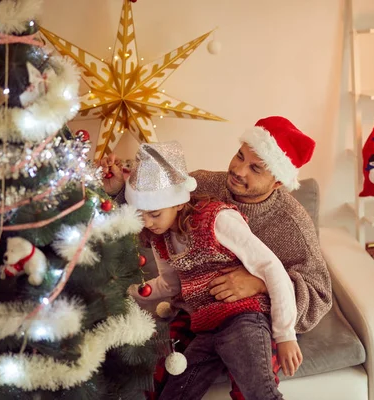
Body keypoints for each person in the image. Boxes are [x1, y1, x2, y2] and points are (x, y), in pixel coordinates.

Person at [101, 116, 332, 399]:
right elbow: (153, 202)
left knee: (253, 381)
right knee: (160, 372)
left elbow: (319, 295)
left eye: (255, 168)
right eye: (240, 156)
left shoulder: (292, 224)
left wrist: (259, 285)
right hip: (202, 314)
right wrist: (116, 192)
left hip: (257, 314)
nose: (238, 170)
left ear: (278, 182)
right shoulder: (202, 185)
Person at [125, 141, 302, 400]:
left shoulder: (216, 219)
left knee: (260, 394)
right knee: (174, 393)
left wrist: (286, 335)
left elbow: (271, 268)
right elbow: (171, 285)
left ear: (177, 203)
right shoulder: (160, 239)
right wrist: (129, 292)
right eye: (140, 216)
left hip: (243, 319)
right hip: (206, 327)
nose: (148, 223)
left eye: (154, 213)